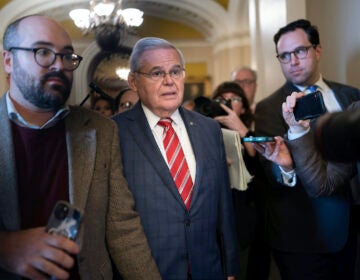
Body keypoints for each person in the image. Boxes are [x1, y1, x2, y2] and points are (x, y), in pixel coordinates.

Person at [0, 15, 160, 279]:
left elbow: (123, 228)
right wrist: (5, 247)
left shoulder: (100, 130)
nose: (59, 65)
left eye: (67, 56)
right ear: (8, 60)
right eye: (43, 52)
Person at [112, 37, 238, 279]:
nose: (169, 81)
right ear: (133, 81)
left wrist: (229, 268)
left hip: (208, 269)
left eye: (175, 71)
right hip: (149, 271)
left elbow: (223, 205)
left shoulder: (209, 129)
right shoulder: (114, 133)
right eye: (157, 73)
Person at [254, 18, 360, 280]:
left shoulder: (351, 96)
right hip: (303, 237)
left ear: (317, 50)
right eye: (284, 55)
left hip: (352, 230)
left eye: (300, 51)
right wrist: (286, 167)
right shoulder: (270, 107)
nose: (293, 60)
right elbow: (274, 174)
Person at [211, 81, 271, 280]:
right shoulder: (205, 131)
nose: (227, 102)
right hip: (215, 213)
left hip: (247, 212)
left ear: (243, 106)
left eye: (234, 98)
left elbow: (259, 161)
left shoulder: (254, 129)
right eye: (221, 98)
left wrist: (240, 127)